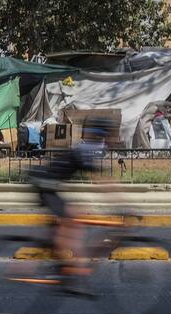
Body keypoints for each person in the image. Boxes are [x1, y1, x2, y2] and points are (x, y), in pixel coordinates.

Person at [25, 116, 111, 285]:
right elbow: (101, 181)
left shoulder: (86, 147)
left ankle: (61, 261)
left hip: (49, 185)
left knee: (71, 219)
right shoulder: (85, 150)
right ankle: (61, 267)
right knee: (70, 222)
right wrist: (121, 203)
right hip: (44, 184)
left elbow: (101, 179)